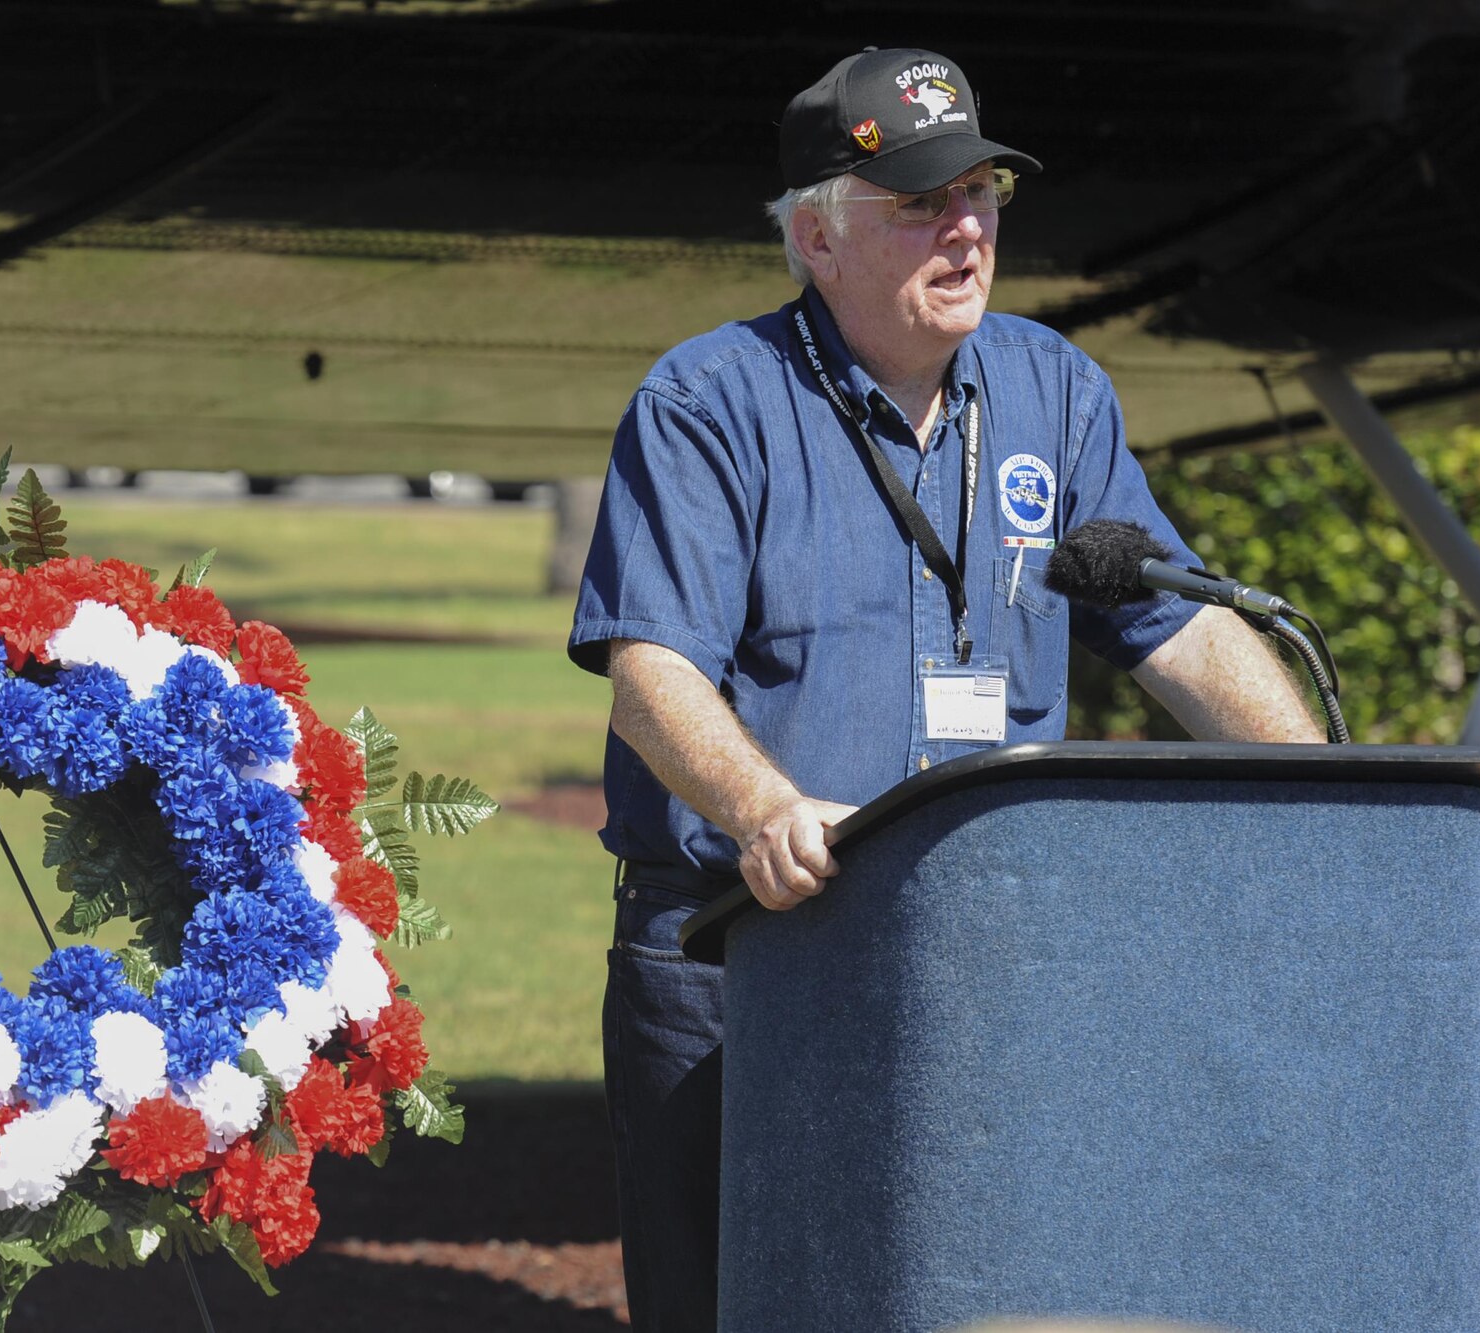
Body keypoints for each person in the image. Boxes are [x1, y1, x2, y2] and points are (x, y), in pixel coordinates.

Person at [566, 46, 1325, 1331]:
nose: (964, 229)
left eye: (980, 194)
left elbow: (1179, 631)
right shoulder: (708, 399)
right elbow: (651, 670)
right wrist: (760, 804)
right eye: (919, 202)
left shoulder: (1055, 393)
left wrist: (1332, 795)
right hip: (742, 949)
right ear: (815, 235)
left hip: (985, 964)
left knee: (970, 1301)